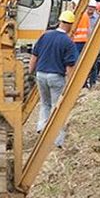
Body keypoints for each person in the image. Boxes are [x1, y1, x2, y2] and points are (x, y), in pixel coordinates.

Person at [29, 10, 78, 148]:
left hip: (41, 75)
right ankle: (58, 140)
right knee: (58, 107)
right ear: (70, 25)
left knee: (45, 103)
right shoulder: (68, 42)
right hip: (56, 77)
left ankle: (41, 127)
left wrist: (30, 72)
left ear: (60, 21)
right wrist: (71, 83)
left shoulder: (45, 36)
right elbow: (69, 66)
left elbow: (34, 57)